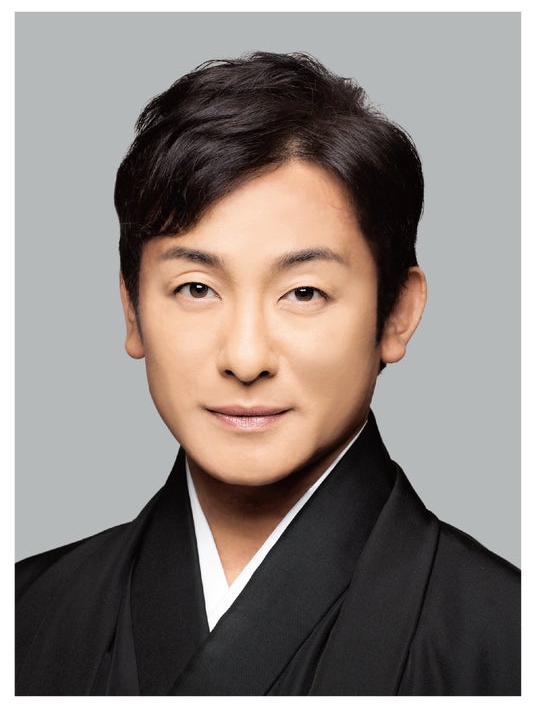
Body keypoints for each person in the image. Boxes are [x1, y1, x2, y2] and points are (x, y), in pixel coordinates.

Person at [15, 52, 520, 696]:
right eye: (196, 288)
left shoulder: (506, 637)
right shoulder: (26, 615)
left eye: (304, 292)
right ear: (133, 309)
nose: (246, 358)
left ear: (397, 313)